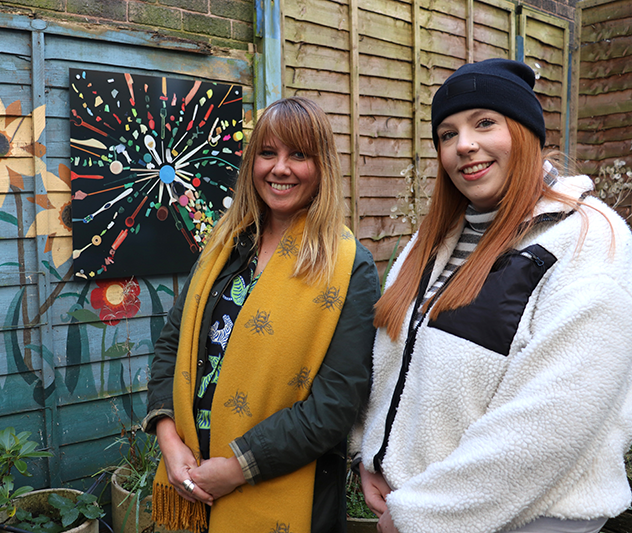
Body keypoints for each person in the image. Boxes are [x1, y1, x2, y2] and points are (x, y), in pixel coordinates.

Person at [351, 58, 632, 533]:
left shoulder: (590, 237)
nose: (464, 145)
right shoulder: (434, 241)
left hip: (532, 519)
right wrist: (371, 454)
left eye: (485, 123)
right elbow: (390, 359)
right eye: (447, 133)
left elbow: (555, 419)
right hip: (421, 507)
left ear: (525, 132)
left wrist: (424, 513)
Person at [143, 96, 380, 533]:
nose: (280, 168)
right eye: (268, 153)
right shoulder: (226, 245)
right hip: (189, 477)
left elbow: (335, 404)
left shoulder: (350, 266)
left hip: (282, 491)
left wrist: (235, 468)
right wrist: (169, 439)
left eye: (299, 155)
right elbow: (171, 345)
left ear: (322, 165)